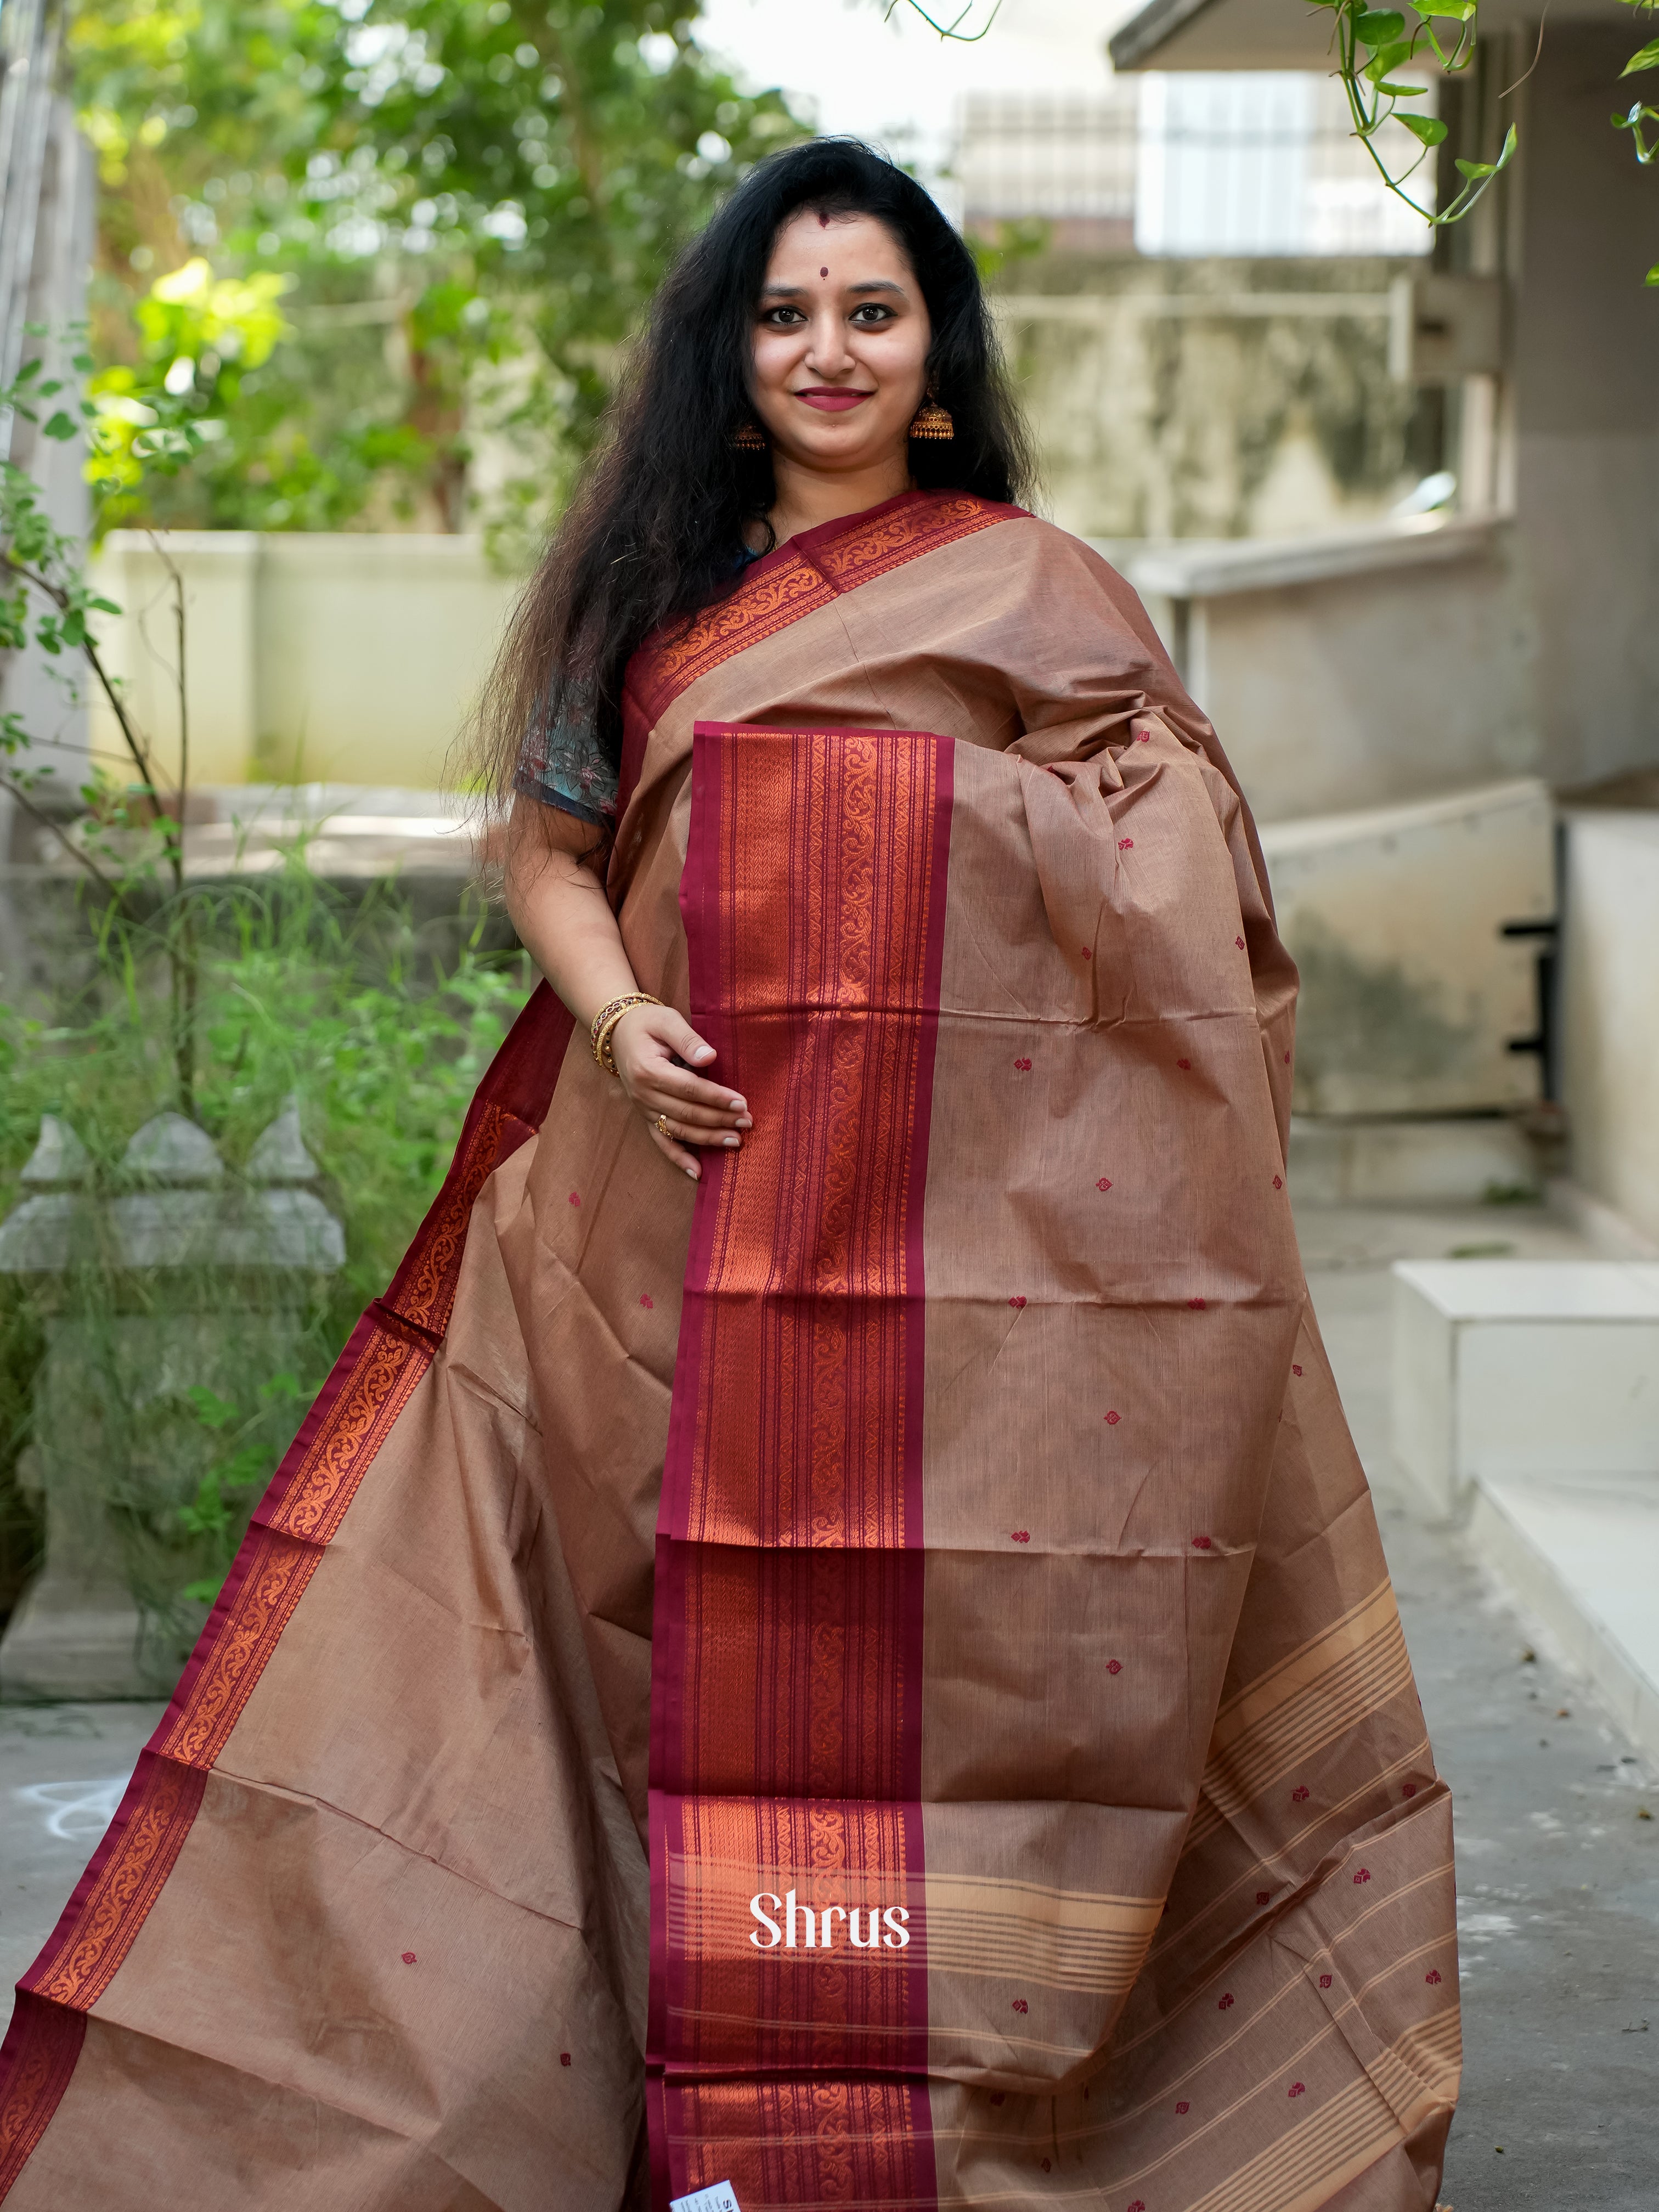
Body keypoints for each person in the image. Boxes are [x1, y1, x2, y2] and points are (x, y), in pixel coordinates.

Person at [0, 141, 1459, 2211]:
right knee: (626, 1654)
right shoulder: (651, 591)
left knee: (937, 1662)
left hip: (960, 1254)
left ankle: (919, 2099)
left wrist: (885, 832)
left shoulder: (1034, 588)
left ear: (938, 352)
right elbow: (546, 850)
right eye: (786, 314)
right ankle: (640, 2105)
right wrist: (616, 1015)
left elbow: (1169, 849)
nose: (828, 350)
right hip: (655, 1211)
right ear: (731, 350)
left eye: (872, 310)